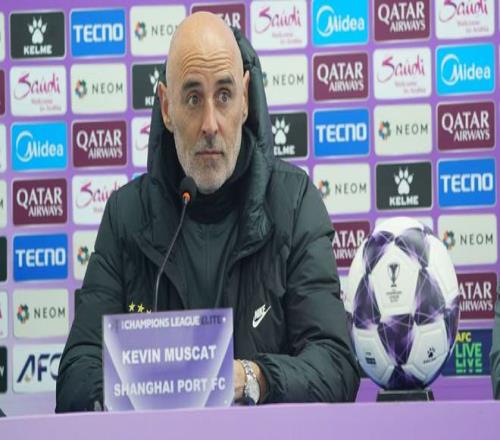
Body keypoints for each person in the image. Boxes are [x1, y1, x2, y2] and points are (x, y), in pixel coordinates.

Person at [56, 12, 359, 411]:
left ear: (245, 100)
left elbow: (336, 365)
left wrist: (252, 378)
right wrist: (156, 384)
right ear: (167, 107)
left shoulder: (294, 203)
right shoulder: (126, 216)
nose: (210, 124)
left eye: (224, 95)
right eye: (194, 98)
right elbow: (76, 377)